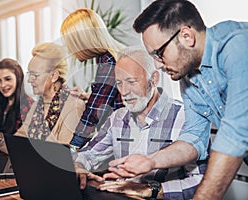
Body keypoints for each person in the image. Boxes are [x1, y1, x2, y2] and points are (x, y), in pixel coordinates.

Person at [104, 0, 248, 199]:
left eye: (159, 53)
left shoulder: (238, 46)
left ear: (186, 36)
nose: (158, 65)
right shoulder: (189, 75)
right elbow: (193, 138)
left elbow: (235, 135)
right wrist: (151, 161)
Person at [74, 47, 208, 199]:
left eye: (131, 81)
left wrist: (152, 190)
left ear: (154, 79)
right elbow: (88, 154)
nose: (124, 91)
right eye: (119, 83)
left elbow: (204, 182)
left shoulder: (186, 118)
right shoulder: (117, 118)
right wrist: (79, 167)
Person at [0, 42, 85, 154]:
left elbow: (61, 156)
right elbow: (17, 144)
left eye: (35, 75)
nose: (30, 80)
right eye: (30, 74)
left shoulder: (73, 106)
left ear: (53, 76)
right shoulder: (38, 106)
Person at [60, 8, 126, 150]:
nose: (70, 49)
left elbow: (95, 111)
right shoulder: (111, 57)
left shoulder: (108, 62)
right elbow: (112, 96)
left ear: (82, 41)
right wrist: (88, 96)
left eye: (70, 42)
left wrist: (74, 145)